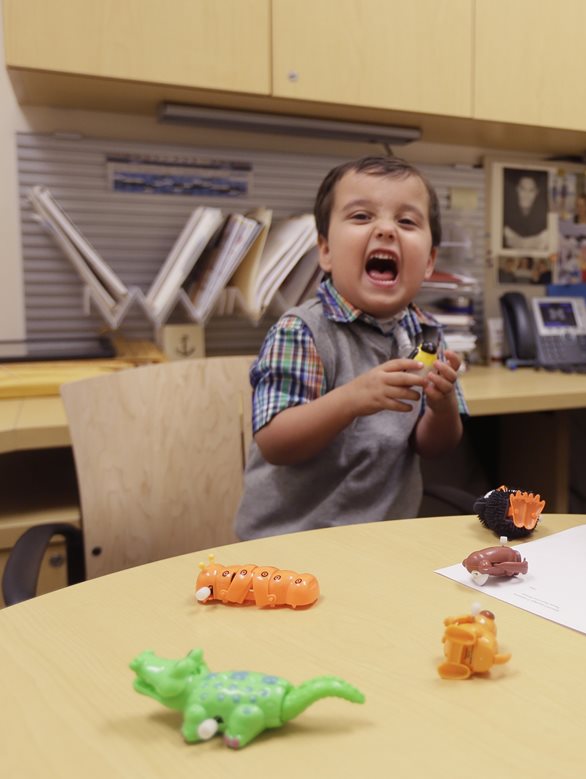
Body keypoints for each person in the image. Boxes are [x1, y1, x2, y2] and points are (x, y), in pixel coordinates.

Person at [235, 156, 466, 539]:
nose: (386, 230)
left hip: (382, 541)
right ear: (325, 250)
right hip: (288, 545)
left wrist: (442, 408)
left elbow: (434, 446)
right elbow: (275, 442)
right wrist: (353, 398)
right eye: (361, 217)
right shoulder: (300, 331)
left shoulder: (427, 333)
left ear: (429, 261)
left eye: (406, 221)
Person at [503, 169, 551, 250]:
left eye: (531, 190)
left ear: (537, 192)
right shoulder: (505, 214)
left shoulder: (544, 220)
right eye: (523, 189)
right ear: (517, 189)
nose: (526, 195)